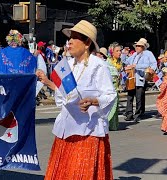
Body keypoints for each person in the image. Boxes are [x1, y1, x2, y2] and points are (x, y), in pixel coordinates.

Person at [36, 20, 116, 179]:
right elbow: (65, 94)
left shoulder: (98, 65)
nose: (69, 42)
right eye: (69, 38)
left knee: (81, 173)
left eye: (74, 38)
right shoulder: (67, 64)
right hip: (67, 129)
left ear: (87, 43)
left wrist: (93, 101)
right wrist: (47, 82)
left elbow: (109, 95)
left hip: (88, 131)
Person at [123, 38, 157, 122]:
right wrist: (124, 54)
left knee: (139, 97)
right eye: (137, 46)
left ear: (143, 47)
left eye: (139, 46)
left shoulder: (148, 54)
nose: (137, 47)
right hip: (132, 78)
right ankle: (129, 113)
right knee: (130, 96)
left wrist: (136, 66)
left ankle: (138, 114)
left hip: (141, 78)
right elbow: (126, 62)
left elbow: (152, 64)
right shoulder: (134, 55)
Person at [106, 43, 123, 131]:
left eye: (120, 50)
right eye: (117, 51)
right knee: (110, 106)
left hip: (116, 88)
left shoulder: (120, 62)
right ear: (112, 52)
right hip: (109, 88)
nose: (120, 52)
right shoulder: (107, 63)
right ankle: (106, 123)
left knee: (115, 107)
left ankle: (113, 125)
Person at [156, 67, 167, 135]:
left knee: (166, 114)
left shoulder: (166, 80)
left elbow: (162, 88)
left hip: (166, 98)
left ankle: (166, 128)